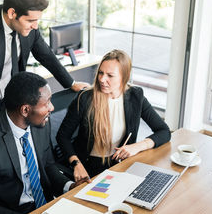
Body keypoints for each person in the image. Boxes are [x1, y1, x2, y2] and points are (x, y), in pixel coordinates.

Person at [0, 72, 88, 214]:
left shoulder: (41, 121)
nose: (52, 107)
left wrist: (69, 186)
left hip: (45, 205)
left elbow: (48, 165)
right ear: (25, 110)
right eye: (47, 102)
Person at [56, 49, 171, 180]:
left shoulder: (135, 96)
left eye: (110, 75)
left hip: (120, 164)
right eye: (100, 73)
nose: (102, 79)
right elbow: (62, 136)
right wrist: (76, 163)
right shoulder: (85, 98)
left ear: (124, 77)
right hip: (88, 166)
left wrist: (138, 146)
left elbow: (164, 131)